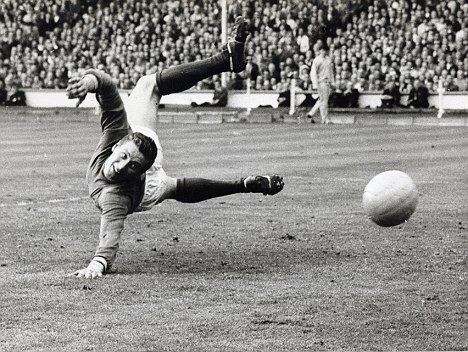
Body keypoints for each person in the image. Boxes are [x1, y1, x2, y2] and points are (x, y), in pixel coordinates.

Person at [66, 17, 284, 279]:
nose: (120, 166)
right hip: (146, 168)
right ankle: (244, 183)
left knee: (174, 185)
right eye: (123, 157)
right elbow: (107, 87)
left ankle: (226, 62)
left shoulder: (115, 194)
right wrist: (88, 83)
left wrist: (98, 264)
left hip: (147, 184)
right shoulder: (117, 135)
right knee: (149, 87)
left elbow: (110, 233)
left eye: (130, 165)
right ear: (118, 143)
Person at [306, 44, 335, 124]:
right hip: (321, 82)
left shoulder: (328, 60)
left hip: (327, 82)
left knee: (322, 100)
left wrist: (332, 82)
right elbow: (313, 73)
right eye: (322, 50)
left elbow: (330, 72)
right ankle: (324, 119)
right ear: (319, 51)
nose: (324, 52)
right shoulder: (317, 60)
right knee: (324, 101)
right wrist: (315, 84)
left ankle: (311, 113)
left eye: (325, 50)